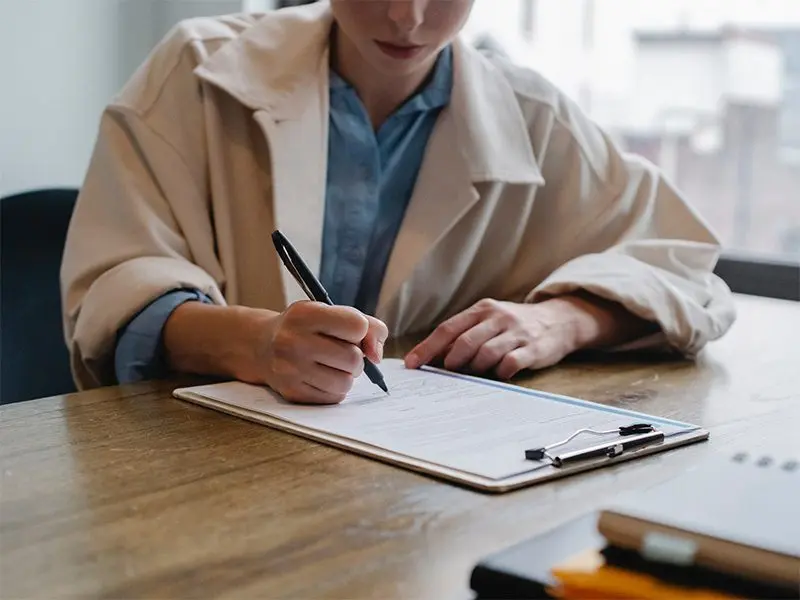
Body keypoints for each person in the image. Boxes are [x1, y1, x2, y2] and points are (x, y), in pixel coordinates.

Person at [60, 0, 736, 404]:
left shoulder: (535, 119)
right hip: (201, 474)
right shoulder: (195, 69)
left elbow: (686, 268)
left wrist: (562, 321)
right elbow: (115, 287)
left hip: (423, 491)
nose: (407, 18)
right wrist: (256, 344)